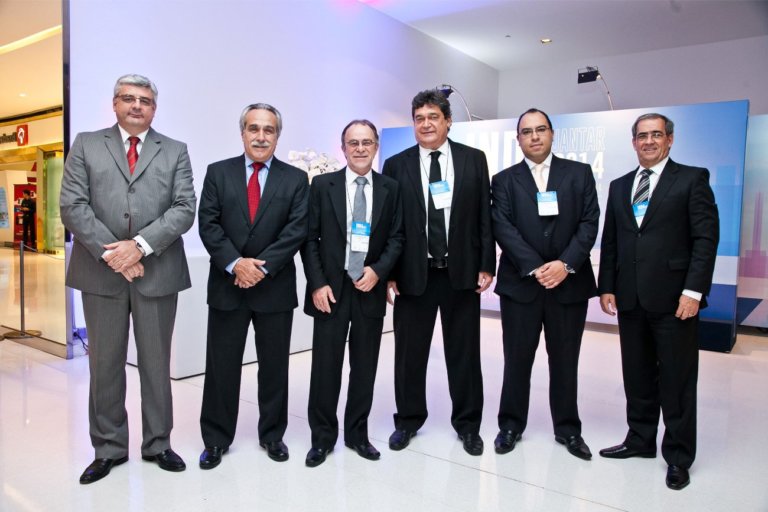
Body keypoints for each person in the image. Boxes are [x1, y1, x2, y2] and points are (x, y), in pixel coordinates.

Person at [60, 74, 196, 484]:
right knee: (104, 365)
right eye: (128, 98)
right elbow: (73, 205)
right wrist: (116, 255)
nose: (137, 105)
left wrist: (139, 246)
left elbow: (184, 208)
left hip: (158, 272)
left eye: (145, 100)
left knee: (156, 364)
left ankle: (158, 444)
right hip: (100, 274)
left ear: (154, 108)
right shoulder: (86, 144)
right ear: (114, 103)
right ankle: (108, 448)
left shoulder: (175, 150)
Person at [597, 113, 719, 490]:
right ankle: (640, 439)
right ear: (633, 142)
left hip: (675, 300)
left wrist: (693, 292)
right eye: (642, 136)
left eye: (656, 135)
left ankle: (678, 456)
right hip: (630, 297)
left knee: (677, 380)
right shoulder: (620, 185)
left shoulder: (692, 179)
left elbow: (705, 239)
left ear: (669, 139)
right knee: (636, 374)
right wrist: (607, 286)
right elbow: (612, 240)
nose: (648, 141)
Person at [382, 89, 495, 456]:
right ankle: (407, 421)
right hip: (413, 275)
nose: (426, 124)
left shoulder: (473, 160)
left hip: (461, 274)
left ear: (448, 121)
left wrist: (486, 264)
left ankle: (468, 426)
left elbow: (484, 216)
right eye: (419, 118)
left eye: (433, 117)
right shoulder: (396, 165)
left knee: (464, 355)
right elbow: (389, 224)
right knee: (409, 356)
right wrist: (389, 272)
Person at [197, 103, 309, 469]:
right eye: (254, 128)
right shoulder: (218, 173)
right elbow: (208, 224)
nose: (261, 136)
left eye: (269, 130)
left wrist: (261, 268)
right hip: (227, 285)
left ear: (278, 135)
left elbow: (296, 229)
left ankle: (272, 435)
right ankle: (216, 439)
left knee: (275, 367)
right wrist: (236, 264)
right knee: (221, 367)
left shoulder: (295, 179)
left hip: (274, 287)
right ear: (242, 132)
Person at [490, 108, 599, 460]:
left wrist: (565, 265)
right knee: (516, 359)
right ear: (518, 139)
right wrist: (536, 267)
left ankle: (568, 430)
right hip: (521, 285)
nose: (534, 136)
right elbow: (502, 226)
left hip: (569, 285)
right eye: (527, 131)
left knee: (565, 361)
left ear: (552, 134)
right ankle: (510, 425)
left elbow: (589, 222)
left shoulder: (579, 174)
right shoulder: (503, 180)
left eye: (540, 130)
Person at [301, 120, 403, 467]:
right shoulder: (322, 185)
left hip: (368, 287)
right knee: (325, 367)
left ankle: (358, 435)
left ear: (376, 147)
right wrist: (317, 283)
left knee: (364, 367)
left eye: (367, 142)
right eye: (353, 143)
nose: (360, 149)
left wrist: (379, 271)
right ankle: (322, 439)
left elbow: (398, 237)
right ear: (343, 147)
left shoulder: (391, 188)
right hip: (330, 289)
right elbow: (309, 239)